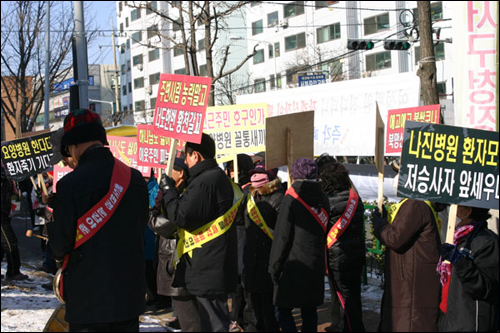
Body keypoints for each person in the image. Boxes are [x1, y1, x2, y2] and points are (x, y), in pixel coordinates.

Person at [47, 109, 149, 332]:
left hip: (88, 300)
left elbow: (60, 247)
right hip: (128, 297)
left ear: (72, 145)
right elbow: (141, 226)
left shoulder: (69, 185)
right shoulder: (135, 178)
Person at [159, 133, 238, 332]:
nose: (184, 161)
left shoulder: (205, 181)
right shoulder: (216, 178)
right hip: (213, 264)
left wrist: (169, 190)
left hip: (207, 265)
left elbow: (181, 216)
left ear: (196, 155)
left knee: (213, 325)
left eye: (186, 155)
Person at [269, 157, 329, 332]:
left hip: (291, 265)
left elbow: (282, 236)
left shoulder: (291, 198)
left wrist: (274, 266)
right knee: (309, 311)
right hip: (315, 263)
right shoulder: (323, 197)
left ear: (294, 176)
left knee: (283, 309)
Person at [371, 194, 443, 331]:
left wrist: (379, 224)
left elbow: (395, 238)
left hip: (410, 284)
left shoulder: (415, 204)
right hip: (414, 279)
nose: (397, 179)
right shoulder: (423, 203)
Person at [149, 157, 201, 332]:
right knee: (186, 316)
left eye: (171, 169)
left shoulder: (191, 192)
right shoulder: (164, 192)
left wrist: (158, 218)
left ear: (181, 173)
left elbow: (178, 221)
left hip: (186, 259)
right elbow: (155, 219)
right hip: (169, 257)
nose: (166, 173)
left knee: (191, 320)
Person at [318, 160, 366, 332]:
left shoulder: (327, 202)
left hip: (337, 257)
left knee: (345, 299)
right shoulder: (355, 197)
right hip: (356, 253)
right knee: (353, 296)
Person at [437, 205, 499, 332]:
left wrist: (460, 262)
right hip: (449, 318)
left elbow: (484, 287)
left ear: (468, 210)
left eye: (456, 206)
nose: (451, 210)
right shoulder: (458, 238)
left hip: (469, 322)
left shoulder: (487, 242)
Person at [242, 162, 283, 332]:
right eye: (255, 173)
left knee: (268, 307)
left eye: (261, 173)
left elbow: (282, 230)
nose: (256, 177)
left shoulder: (279, 197)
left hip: (269, 257)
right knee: (254, 305)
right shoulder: (250, 197)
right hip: (252, 257)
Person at [1, 162, 29, 281]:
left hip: (4, 211)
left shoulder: (7, 172)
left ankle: (13, 271)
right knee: (10, 242)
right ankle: (13, 272)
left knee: (3, 245)